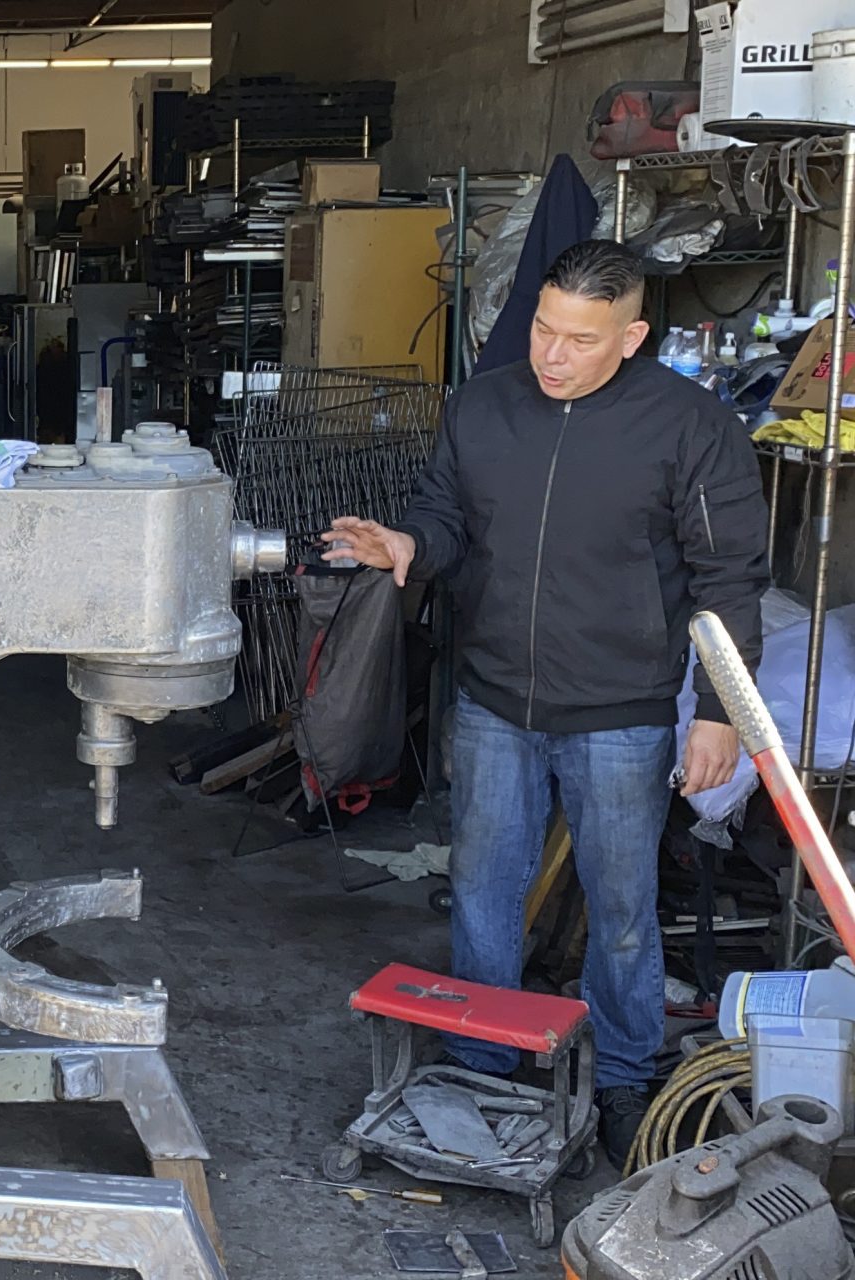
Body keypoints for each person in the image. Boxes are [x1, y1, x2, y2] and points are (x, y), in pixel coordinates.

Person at [324, 238, 768, 1163]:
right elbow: (446, 514)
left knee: (621, 910)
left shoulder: (692, 425)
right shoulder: (482, 407)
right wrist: (409, 545)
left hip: (622, 710)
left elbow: (729, 578)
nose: (552, 355)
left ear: (633, 336)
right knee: (484, 894)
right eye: (542, 328)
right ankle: (486, 1062)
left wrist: (720, 711)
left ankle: (624, 1079)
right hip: (493, 698)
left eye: (580, 339)